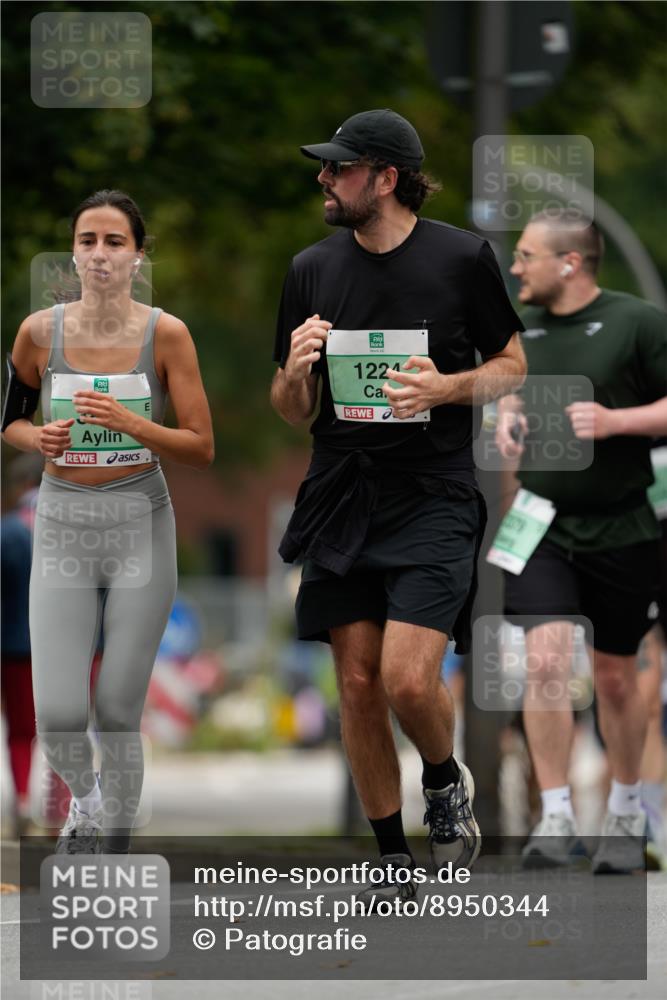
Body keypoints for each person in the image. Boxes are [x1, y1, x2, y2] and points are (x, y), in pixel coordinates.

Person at [270, 109, 526, 907]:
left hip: (434, 493)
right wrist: (297, 369)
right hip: (342, 489)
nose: (324, 177)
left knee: (406, 681)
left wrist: (446, 387)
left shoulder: (460, 258)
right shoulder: (310, 268)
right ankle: (389, 860)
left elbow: (512, 364)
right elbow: (287, 408)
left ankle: (444, 781)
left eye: (340, 168)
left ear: (385, 176)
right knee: (353, 683)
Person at [1, 189, 214, 854]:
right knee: (60, 714)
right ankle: (87, 806)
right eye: (88, 240)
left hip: (139, 522)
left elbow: (201, 445)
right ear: (73, 252)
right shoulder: (40, 332)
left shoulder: (167, 334)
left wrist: (134, 425)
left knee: (118, 709)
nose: (99, 254)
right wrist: (37, 441)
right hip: (62, 522)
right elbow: (10, 420)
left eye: (114, 242)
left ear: (137, 257)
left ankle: (113, 845)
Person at [496, 209, 667, 873]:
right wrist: (507, 420)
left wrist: (616, 420)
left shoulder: (637, 323)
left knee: (615, 679)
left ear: (569, 263)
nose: (515, 268)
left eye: (526, 256)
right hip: (539, 523)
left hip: (622, 525)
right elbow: (508, 396)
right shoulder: (518, 330)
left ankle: (625, 811)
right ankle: (556, 816)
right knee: (542, 665)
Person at [1, 453, 42, 836]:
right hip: (65, 648)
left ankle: (25, 798)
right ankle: (64, 809)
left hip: (13, 645)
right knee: (68, 728)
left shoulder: (8, 531)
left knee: (18, 731)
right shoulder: (73, 531)